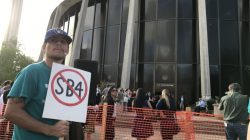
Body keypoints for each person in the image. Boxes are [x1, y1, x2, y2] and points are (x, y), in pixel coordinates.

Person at [4, 28, 73, 140]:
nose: (59, 43)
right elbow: (11, 112)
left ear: (67, 50)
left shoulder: (69, 77)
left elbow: (63, 122)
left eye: (63, 42)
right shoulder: (31, 72)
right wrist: (50, 130)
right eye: (53, 40)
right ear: (43, 47)